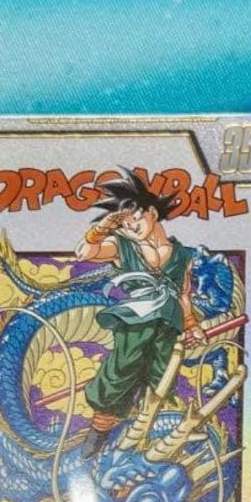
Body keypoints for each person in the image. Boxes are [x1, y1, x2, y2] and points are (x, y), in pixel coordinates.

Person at [75, 168, 209, 461]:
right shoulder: (121, 246)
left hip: (168, 324)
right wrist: (103, 227)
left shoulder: (182, 254)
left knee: (161, 378)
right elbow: (84, 253)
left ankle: (143, 436)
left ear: (152, 213)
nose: (131, 227)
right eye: (124, 224)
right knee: (120, 372)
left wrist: (191, 325)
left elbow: (184, 294)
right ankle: (98, 433)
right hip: (136, 321)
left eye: (135, 218)